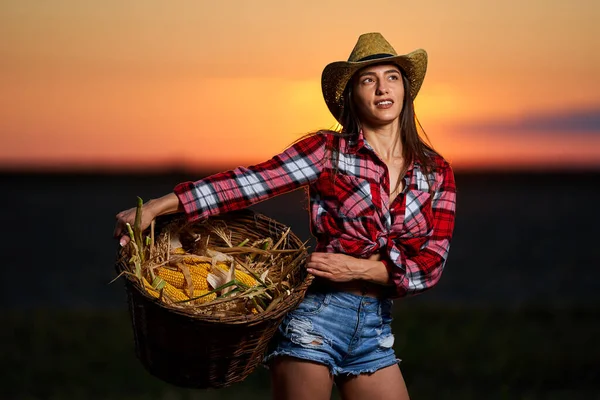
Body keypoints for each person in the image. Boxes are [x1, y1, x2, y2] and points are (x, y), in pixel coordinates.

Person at [114, 32, 457, 400]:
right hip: (315, 318)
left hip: (374, 328)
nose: (381, 88)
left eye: (391, 76)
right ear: (351, 96)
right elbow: (251, 182)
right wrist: (155, 207)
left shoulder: (435, 171)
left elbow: (431, 263)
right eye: (367, 79)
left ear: (405, 89)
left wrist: (358, 269)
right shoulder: (327, 151)